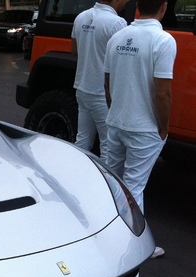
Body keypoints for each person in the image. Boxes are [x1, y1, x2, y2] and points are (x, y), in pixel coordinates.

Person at [103, 0, 176, 258]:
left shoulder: (118, 37)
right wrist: (164, 127)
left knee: (112, 182)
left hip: (116, 122)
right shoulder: (163, 41)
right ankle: (134, 248)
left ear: (138, 7)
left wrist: (116, 109)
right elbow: (163, 93)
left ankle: (102, 238)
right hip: (144, 129)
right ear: (163, 7)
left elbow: (108, 82)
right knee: (134, 187)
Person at [71, 0, 128, 161]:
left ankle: (76, 176)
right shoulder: (117, 23)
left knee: (82, 140)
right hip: (103, 94)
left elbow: (74, 50)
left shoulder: (81, 17)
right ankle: (105, 183)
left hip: (82, 87)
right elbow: (122, 60)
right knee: (108, 146)